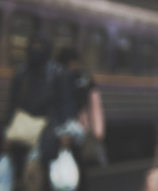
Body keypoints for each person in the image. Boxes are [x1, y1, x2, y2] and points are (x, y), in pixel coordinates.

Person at [1, 33, 76, 191]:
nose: (35, 50)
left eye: (39, 46)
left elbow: (65, 105)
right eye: (32, 45)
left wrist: (64, 133)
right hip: (23, 132)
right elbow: (13, 105)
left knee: (36, 176)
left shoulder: (58, 73)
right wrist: (6, 132)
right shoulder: (22, 72)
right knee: (25, 176)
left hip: (48, 134)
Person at [57, 48, 105, 191]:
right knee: (80, 165)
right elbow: (95, 105)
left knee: (74, 164)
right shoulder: (84, 78)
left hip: (71, 128)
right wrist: (98, 130)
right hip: (80, 127)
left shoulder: (60, 76)